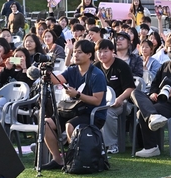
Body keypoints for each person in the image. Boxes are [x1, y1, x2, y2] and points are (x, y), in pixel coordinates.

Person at [42, 39, 107, 170]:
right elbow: (56, 80)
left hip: (93, 114)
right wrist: (46, 72)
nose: (75, 55)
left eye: (79, 52)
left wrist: (77, 95)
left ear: (89, 55)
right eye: (74, 52)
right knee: (45, 123)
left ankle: (76, 159)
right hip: (74, 111)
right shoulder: (72, 70)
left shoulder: (97, 74)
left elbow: (97, 101)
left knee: (70, 125)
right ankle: (58, 159)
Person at [95, 39, 136, 154]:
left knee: (107, 113)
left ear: (112, 51)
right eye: (99, 51)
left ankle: (112, 144)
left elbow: (130, 88)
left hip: (123, 103)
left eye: (105, 51)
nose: (102, 54)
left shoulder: (121, 66)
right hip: (101, 101)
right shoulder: (95, 67)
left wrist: (120, 99)